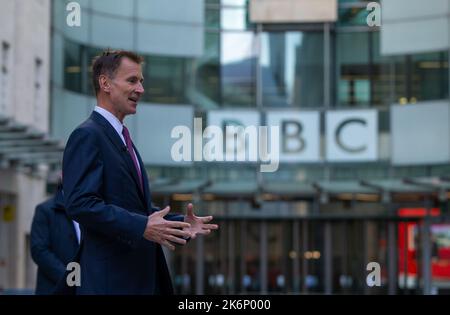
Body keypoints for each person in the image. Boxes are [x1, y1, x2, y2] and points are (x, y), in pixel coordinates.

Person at [61, 50, 218, 295]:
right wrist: (141, 226)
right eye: (132, 80)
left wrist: (178, 225)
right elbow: (80, 204)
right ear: (105, 83)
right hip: (111, 283)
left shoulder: (122, 138)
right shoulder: (88, 135)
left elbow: (135, 209)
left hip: (138, 280)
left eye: (141, 81)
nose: (141, 89)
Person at [30, 183, 81, 295]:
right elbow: (39, 251)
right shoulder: (45, 210)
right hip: (54, 289)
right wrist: (71, 279)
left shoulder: (91, 210)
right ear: (62, 175)